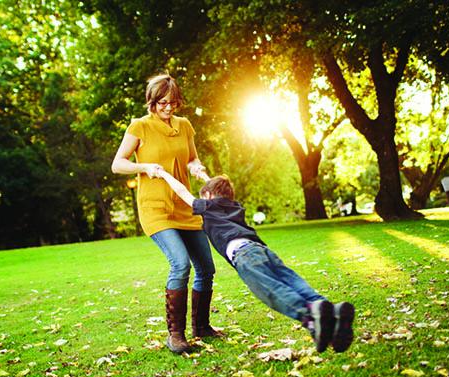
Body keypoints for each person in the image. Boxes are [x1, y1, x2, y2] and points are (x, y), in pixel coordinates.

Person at [156, 171, 355, 353]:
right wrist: (205, 177)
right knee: (292, 282)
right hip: (263, 250)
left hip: (245, 256)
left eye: (203, 195)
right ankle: (330, 312)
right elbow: (217, 188)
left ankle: (310, 317)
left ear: (207, 196)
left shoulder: (207, 206)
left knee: (271, 290)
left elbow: (183, 191)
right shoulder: (234, 206)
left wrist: (164, 175)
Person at [111, 74, 220, 354]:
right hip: (156, 208)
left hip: (185, 205)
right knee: (180, 264)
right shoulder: (140, 127)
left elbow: (192, 158)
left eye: (173, 103)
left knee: (206, 268)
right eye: (162, 103)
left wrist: (197, 168)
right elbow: (118, 164)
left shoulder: (184, 126)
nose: (168, 108)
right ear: (152, 101)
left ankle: (202, 327)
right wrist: (144, 167)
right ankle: (176, 335)